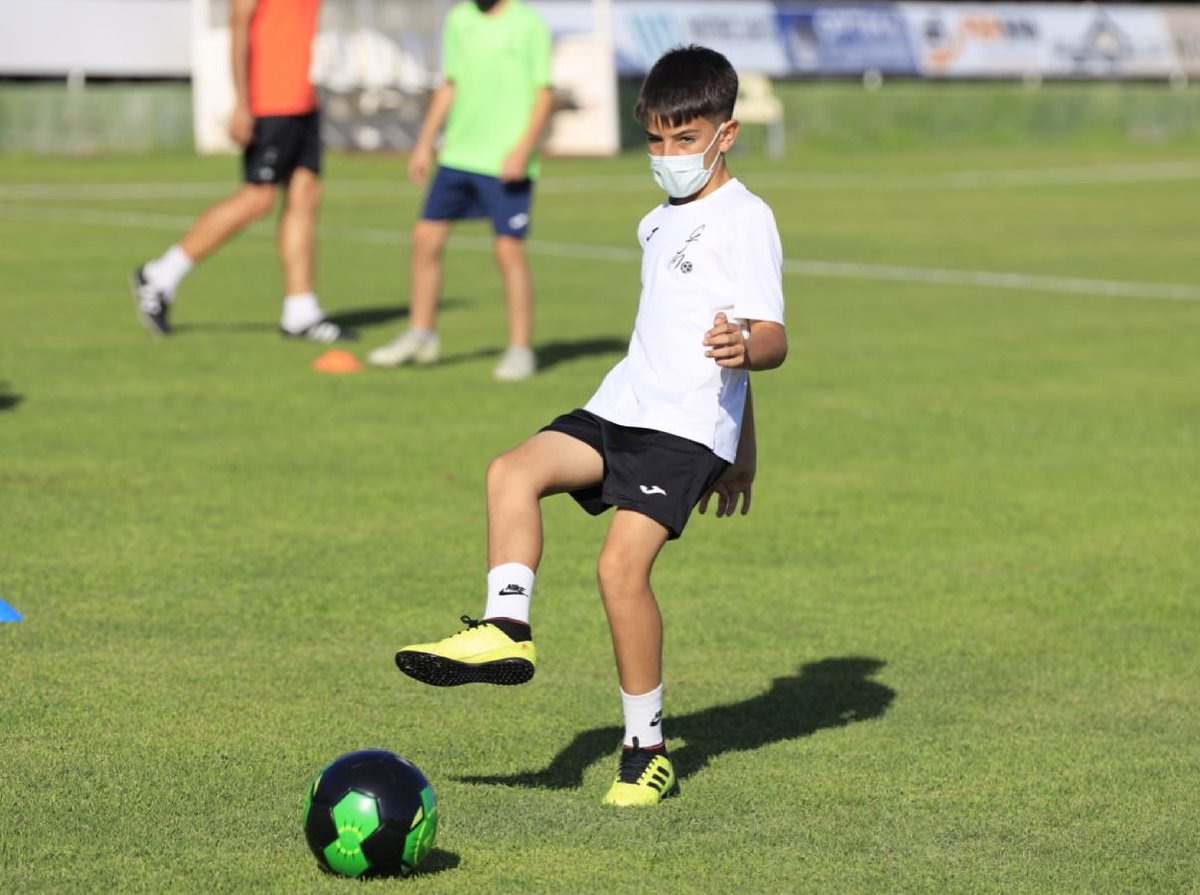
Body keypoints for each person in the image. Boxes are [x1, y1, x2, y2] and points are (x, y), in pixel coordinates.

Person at [393, 46, 788, 807]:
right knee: (512, 470)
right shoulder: (655, 223)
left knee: (618, 569)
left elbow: (768, 336)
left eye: (685, 138)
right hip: (622, 405)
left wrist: (741, 421)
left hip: (681, 432)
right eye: (656, 140)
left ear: (726, 133)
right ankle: (507, 625)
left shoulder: (747, 218)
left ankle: (646, 749)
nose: (668, 155)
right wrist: (750, 440)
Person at [129, 0, 353, 343]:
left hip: (303, 99)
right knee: (258, 198)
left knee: (305, 195)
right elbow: (238, 26)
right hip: (270, 99)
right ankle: (160, 276)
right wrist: (242, 102)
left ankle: (301, 312)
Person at [367, 0, 553, 381]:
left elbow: (544, 93)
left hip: (505, 161)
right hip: (457, 155)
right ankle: (421, 334)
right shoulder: (459, 19)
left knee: (508, 251)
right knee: (425, 239)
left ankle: (520, 350)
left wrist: (522, 149)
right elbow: (450, 83)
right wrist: (424, 143)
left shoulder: (529, 24)